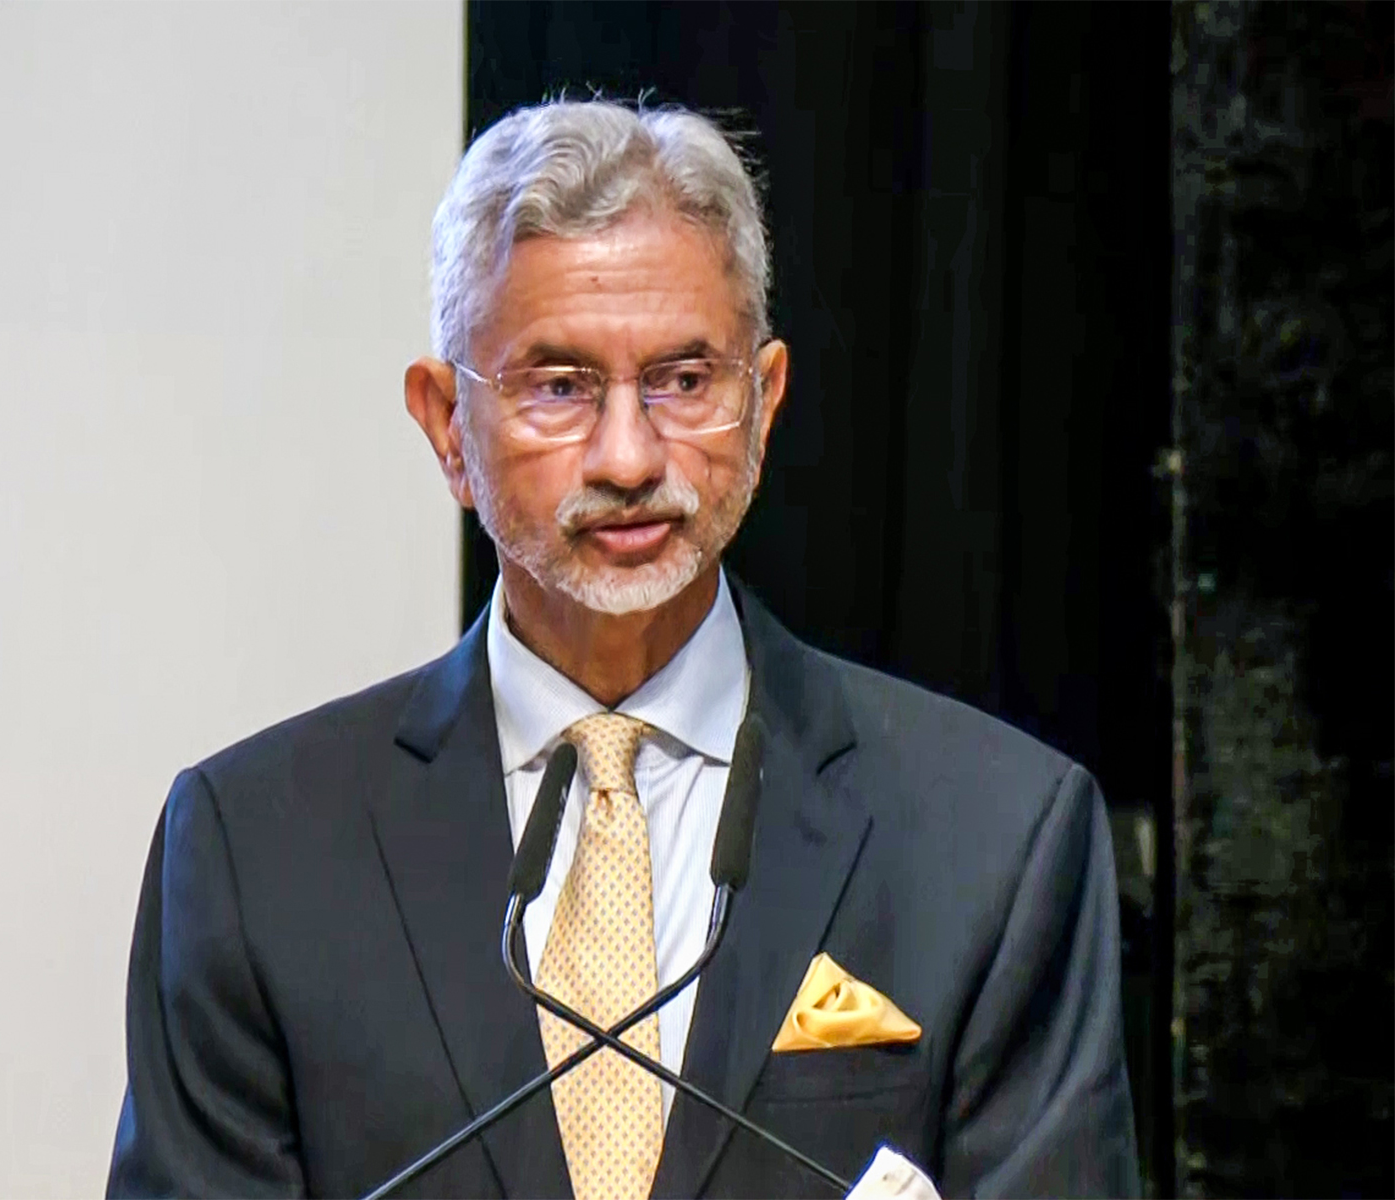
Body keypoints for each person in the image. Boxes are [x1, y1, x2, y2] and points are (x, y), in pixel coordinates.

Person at [106, 99, 1138, 1199]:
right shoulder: (255, 852)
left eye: (683, 381)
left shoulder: (993, 839)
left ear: (764, 403)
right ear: (448, 427)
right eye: (560, 387)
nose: (630, 457)